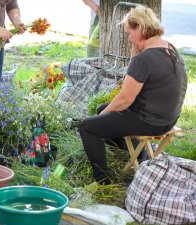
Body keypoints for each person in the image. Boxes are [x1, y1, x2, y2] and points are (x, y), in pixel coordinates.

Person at [79, 5, 187, 184]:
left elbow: (125, 99)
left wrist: (101, 117)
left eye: (129, 33)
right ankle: (125, 155)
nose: (128, 38)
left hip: (150, 121)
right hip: (168, 117)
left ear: (141, 28)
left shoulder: (144, 58)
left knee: (88, 127)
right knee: (102, 108)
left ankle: (103, 181)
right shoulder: (170, 48)